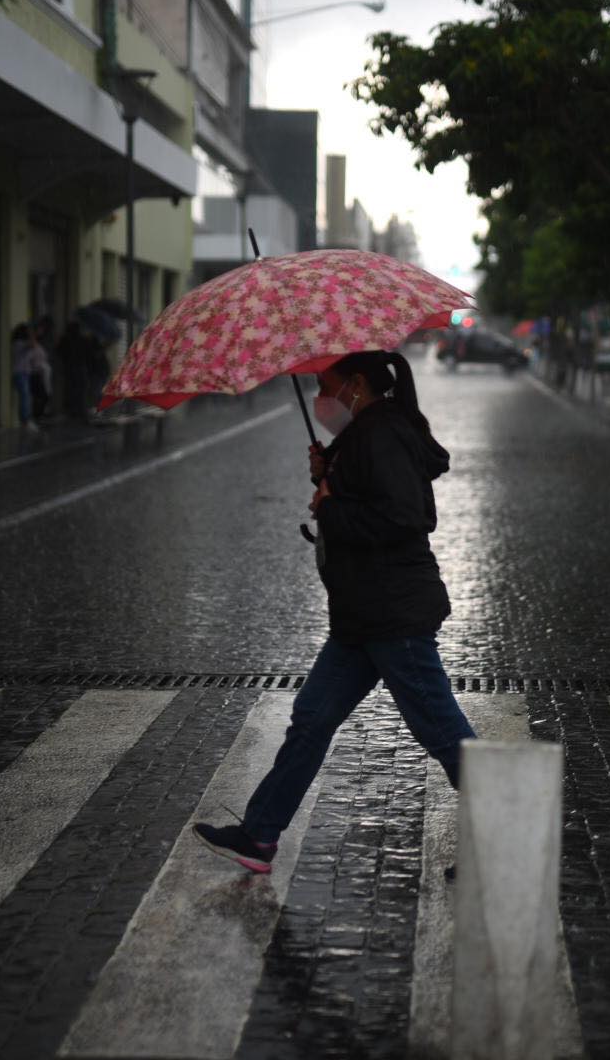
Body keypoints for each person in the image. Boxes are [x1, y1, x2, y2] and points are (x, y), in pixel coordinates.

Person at [194, 350, 477, 874]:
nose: (322, 397)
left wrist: (331, 504)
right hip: (362, 614)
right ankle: (258, 836)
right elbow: (371, 499)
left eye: (327, 386)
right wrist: (330, 476)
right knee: (311, 719)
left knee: (440, 728)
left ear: (357, 385)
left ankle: (506, 838)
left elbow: (404, 517)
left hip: (393, 612)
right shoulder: (366, 432)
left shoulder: (380, 433)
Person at [11, 324, 37, 430]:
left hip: (25, 373)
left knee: (26, 397)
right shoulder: (19, 344)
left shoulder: (22, 344)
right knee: (25, 397)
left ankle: (25, 419)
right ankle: (25, 420)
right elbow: (32, 345)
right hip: (20, 373)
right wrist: (32, 335)